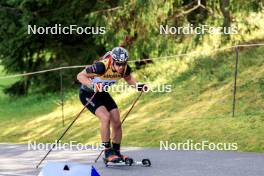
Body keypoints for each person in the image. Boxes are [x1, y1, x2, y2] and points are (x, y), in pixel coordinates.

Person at [77, 46, 147, 162]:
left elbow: (129, 78)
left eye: (123, 64)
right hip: (87, 93)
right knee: (105, 117)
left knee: (116, 121)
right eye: (118, 64)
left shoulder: (125, 68)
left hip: (102, 93)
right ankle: (107, 151)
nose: (121, 67)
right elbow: (80, 76)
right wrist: (93, 85)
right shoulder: (101, 66)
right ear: (112, 61)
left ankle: (116, 151)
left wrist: (139, 86)